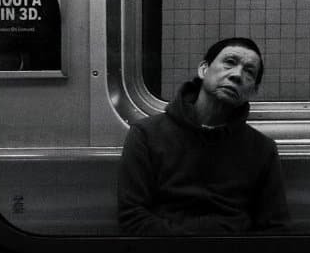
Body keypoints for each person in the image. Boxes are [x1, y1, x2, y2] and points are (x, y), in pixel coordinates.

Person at [117, 37, 290, 235]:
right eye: (230, 63)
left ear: (253, 91)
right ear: (203, 70)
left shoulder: (261, 149)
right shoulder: (147, 134)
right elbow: (132, 216)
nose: (237, 75)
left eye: (249, 72)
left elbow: (275, 227)